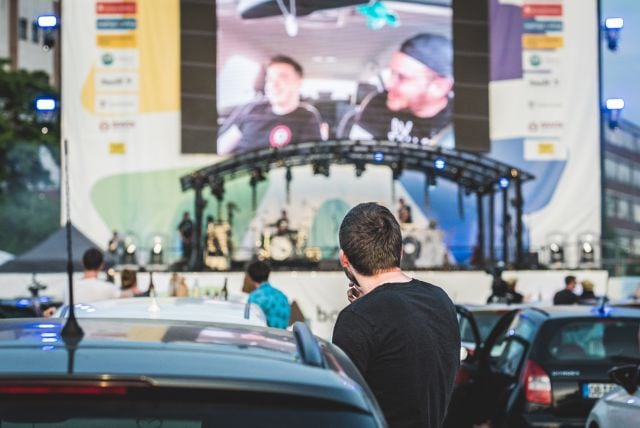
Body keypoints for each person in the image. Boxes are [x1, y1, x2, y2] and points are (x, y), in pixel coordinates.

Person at [332, 202, 460, 427]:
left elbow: (342, 410)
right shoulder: (440, 300)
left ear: (344, 259)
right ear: (400, 251)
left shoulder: (357, 319)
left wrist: (365, 310)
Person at [345, 33, 453, 147]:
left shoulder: (458, 120)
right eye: (392, 73)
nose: (388, 84)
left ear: (439, 87)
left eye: (402, 77)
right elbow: (360, 152)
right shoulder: (378, 104)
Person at [217, 55, 323, 155]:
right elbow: (221, 148)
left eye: (282, 78)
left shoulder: (307, 118)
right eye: (270, 79)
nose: (274, 84)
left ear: (298, 83)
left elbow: (308, 161)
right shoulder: (251, 109)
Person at [242, 260, 290, 329]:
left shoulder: (255, 296)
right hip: (281, 337)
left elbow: (248, 322)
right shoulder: (282, 295)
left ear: (249, 277)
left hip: (265, 337)